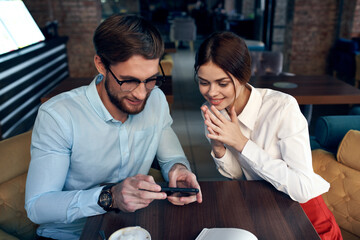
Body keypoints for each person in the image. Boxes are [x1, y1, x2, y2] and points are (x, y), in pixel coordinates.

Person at [25, 14, 202, 240]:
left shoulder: (155, 99)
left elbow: (171, 157)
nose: (141, 93)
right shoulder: (58, 116)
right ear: (101, 65)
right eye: (128, 80)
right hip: (70, 235)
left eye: (150, 79)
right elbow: (37, 206)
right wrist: (110, 197)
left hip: (131, 228)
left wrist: (178, 170)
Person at [194, 31, 342, 240]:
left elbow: (302, 188)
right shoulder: (214, 110)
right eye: (204, 82)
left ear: (243, 76)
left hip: (306, 217)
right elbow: (239, 175)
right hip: (262, 211)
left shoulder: (282, 108)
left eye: (222, 83)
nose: (212, 93)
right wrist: (218, 148)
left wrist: (243, 144)